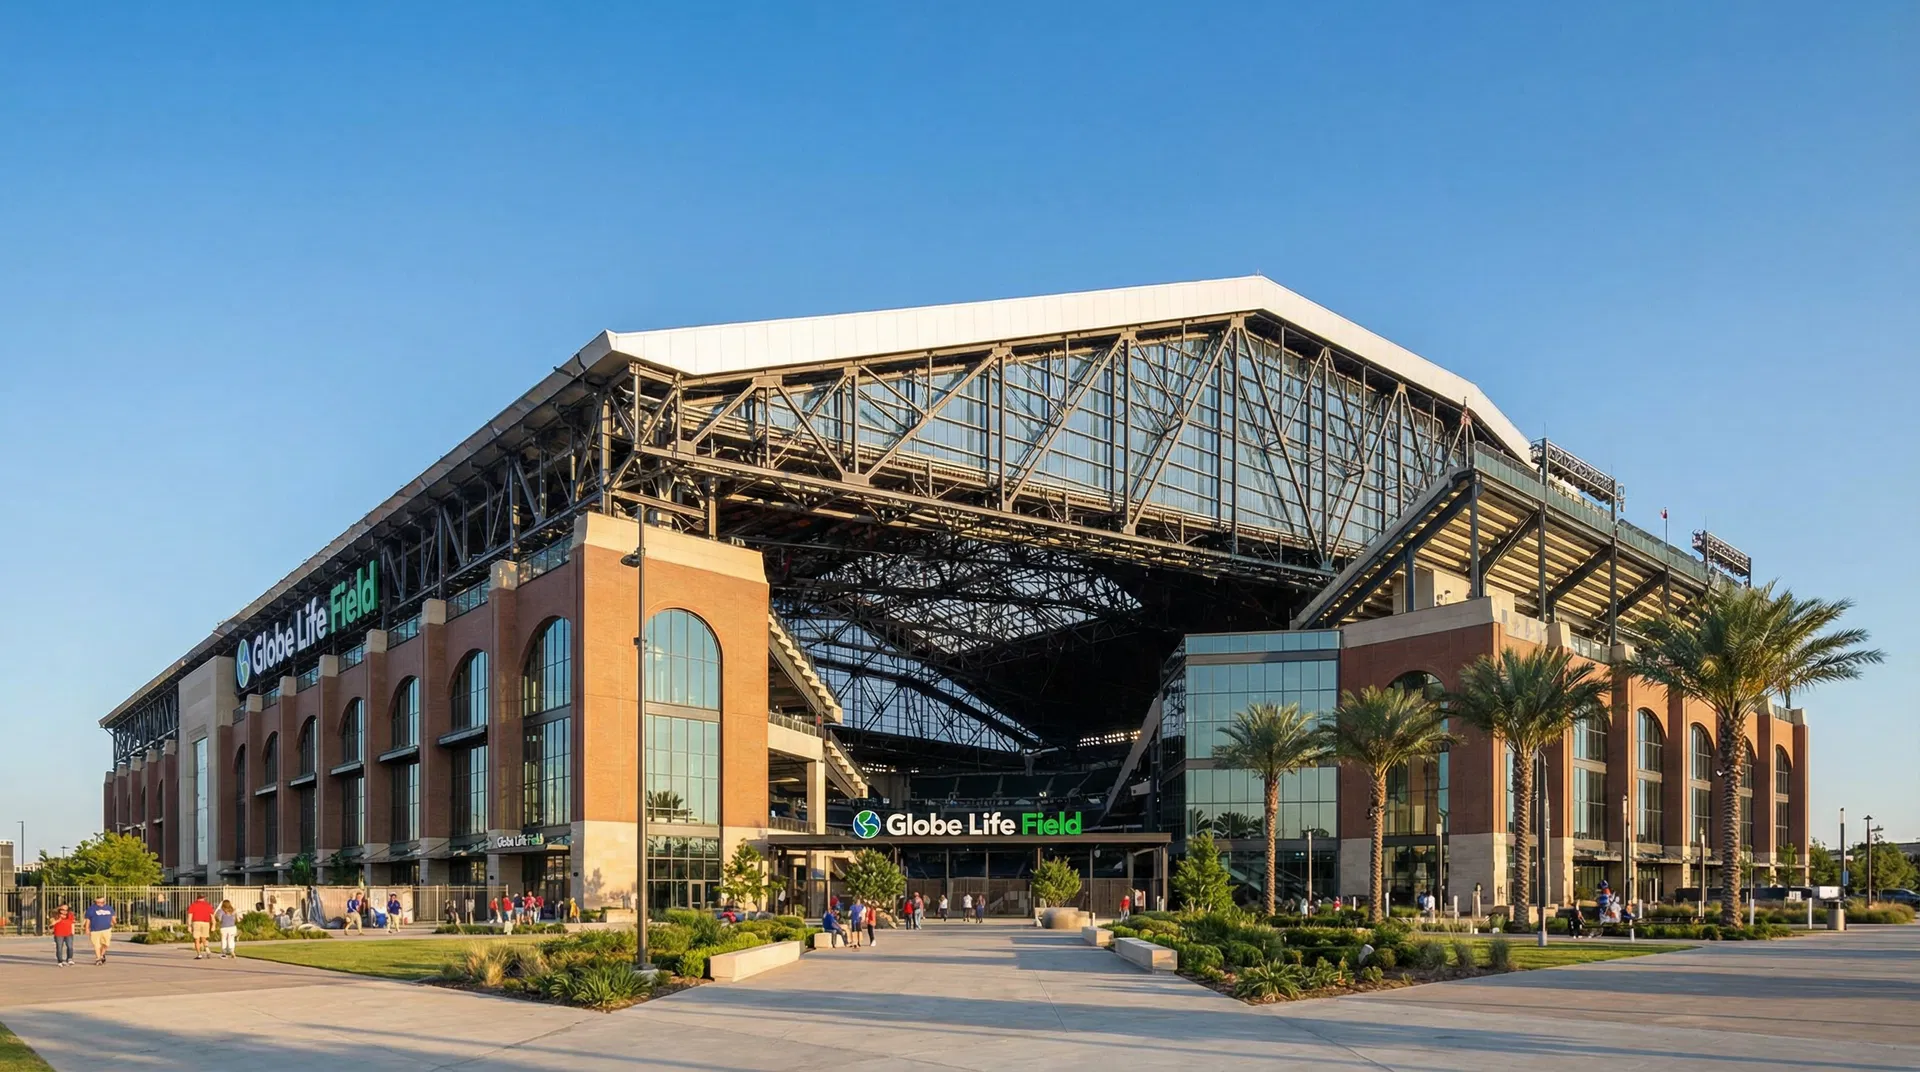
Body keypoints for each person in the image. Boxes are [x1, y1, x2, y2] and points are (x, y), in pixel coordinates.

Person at [85, 895, 116, 964]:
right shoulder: (91, 909)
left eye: (102, 902)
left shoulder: (109, 908)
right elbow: (88, 919)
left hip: (107, 929)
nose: (100, 904)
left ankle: (102, 955)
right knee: (97, 945)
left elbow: (113, 917)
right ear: (95, 902)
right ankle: (98, 959)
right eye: (98, 902)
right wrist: (87, 928)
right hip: (95, 930)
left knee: (106, 944)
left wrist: (114, 922)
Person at [187, 894, 215, 960]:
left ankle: (199, 954)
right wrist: (213, 925)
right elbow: (212, 916)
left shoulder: (193, 905)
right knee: (203, 938)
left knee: (196, 939)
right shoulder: (208, 905)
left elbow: (190, 916)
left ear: (197, 898)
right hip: (206, 923)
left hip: (196, 922)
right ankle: (206, 948)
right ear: (204, 898)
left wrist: (189, 926)